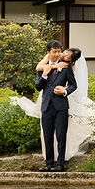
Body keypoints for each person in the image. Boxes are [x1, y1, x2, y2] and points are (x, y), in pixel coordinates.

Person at [35, 43, 78, 172]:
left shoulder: (66, 67)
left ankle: (60, 164)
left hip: (61, 107)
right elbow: (38, 86)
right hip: (46, 106)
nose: (57, 54)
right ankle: (48, 164)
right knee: (47, 136)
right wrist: (44, 75)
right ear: (48, 52)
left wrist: (64, 91)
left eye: (59, 51)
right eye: (54, 51)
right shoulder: (43, 67)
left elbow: (73, 85)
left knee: (61, 135)